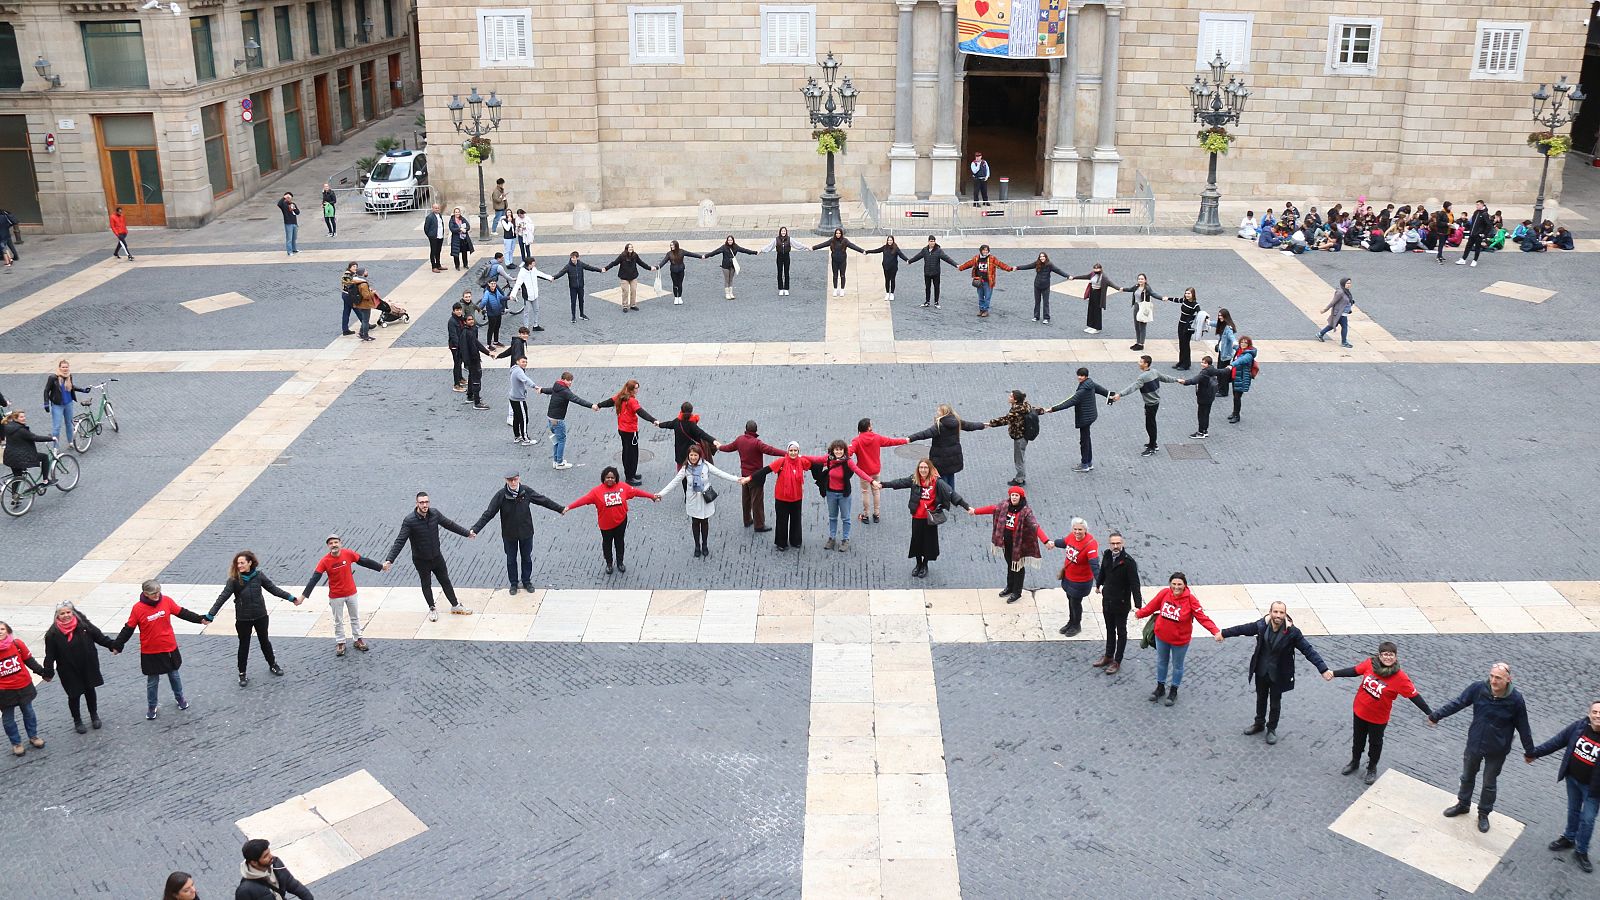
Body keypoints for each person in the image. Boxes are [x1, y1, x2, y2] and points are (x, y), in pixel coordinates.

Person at [1431, 662, 1535, 833]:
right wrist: (1437, 716)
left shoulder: (1515, 699)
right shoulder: (1478, 688)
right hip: (1475, 743)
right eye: (1492, 676)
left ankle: (1483, 813)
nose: (1493, 681)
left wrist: (1529, 751)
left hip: (1497, 749)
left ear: (1509, 680)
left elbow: (1523, 725)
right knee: (1467, 776)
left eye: (1498, 678)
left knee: (1489, 783)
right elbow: (1458, 703)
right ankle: (1463, 804)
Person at [1215, 601, 1332, 745]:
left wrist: (1323, 669)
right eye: (1275, 612)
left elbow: (1308, 650)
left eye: (1281, 612)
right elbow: (1243, 629)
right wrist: (1223, 633)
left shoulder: (1293, 632)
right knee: (1261, 698)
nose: (1278, 615)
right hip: (1262, 670)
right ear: (1270, 612)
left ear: (1285, 614)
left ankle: (1271, 729)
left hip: (1279, 674)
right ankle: (1259, 723)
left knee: (1275, 703)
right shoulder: (1261, 625)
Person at [1331, 641, 1433, 785]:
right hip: (1360, 711)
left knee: (1375, 743)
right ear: (1379, 656)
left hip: (1378, 718)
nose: (1388, 657)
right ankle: (1354, 762)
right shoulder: (1370, 664)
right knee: (1358, 739)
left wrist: (1430, 713)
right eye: (1385, 654)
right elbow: (1354, 671)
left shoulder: (1400, 678)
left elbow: (1414, 696)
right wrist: (1334, 674)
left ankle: (1372, 768)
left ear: (1396, 657)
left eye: (1391, 655)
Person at [112, 581, 207, 720]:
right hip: (150, 651)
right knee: (152, 681)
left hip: (168, 647)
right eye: (153, 594)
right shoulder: (137, 609)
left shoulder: (166, 601)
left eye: (158, 592)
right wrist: (118, 645)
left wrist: (200, 619)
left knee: (174, 675)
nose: (157, 595)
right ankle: (152, 706)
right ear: (145, 594)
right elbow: (128, 629)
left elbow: (182, 613)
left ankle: (179, 698)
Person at [1526, 699, 1600, 875]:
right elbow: (1557, 741)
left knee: (1588, 819)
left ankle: (1581, 851)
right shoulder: (1579, 726)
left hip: (1593, 789)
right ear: (1589, 713)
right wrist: (1535, 753)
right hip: (1572, 779)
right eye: (1595, 712)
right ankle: (1569, 838)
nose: (1598, 716)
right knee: (1573, 810)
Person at [204, 551, 295, 687]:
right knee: (244, 645)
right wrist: (210, 615)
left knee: (264, 641)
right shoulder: (234, 580)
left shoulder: (259, 576)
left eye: (242, 563)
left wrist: (291, 598)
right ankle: (242, 673)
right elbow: (222, 598)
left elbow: (273, 589)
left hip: (260, 616)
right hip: (243, 619)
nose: (239, 565)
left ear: (250, 563)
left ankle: (273, 664)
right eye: (238, 563)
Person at [382, 492, 477, 621]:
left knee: (445, 580)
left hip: (436, 557)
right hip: (421, 560)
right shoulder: (409, 521)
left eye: (426, 502)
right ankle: (432, 608)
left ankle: (455, 605)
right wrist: (390, 559)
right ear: (417, 504)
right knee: (426, 584)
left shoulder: (435, 514)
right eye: (422, 502)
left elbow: (450, 524)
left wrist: (467, 533)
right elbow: (400, 541)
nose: (425, 505)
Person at [471, 470, 564, 592]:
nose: (513, 482)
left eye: (515, 479)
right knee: (511, 559)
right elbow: (488, 514)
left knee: (526, 558)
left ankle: (527, 581)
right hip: (509, 535)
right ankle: (513, 583)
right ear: (506, 481)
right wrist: (475, 529)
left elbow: (543, 500)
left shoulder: (526, 491)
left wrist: (560, 509)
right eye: (510, 480)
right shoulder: (500, 495)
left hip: (526, 533)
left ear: (519, 479)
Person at [1134, 572, 1218, 707]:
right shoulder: (1164, 593)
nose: (1176, 587)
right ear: (1170, 584)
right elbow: (1152, 606)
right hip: (1162, 637)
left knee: (1177, 665)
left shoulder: (1191, 600)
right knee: (1162, 662)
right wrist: (1140, 613)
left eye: (1179, 584)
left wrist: (1215, 631)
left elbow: (1202, 617)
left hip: (1180, 641)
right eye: (1174, 584)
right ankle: (1160, 687)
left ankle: (1174, 690)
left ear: (1185, 585)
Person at [877, 459, 971, 579]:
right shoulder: (915, 480)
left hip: (930, 518)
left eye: (925, 468)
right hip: (917, 516)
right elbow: (900, 483)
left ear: (930, 469)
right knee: (916, 541)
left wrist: (966, 506)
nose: (923, 470)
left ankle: (925, 564)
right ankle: (918, 563)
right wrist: (883, 484)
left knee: (928, 543)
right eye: (921, 467)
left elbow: (951, 494)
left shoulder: (937, 482)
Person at [656, 444, 747, 558]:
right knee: (695, 523)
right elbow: (674, 482)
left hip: (705, 499)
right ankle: (697, 546)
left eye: (695, 455)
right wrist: (661, 494)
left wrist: (737, 479)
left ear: (699, 456)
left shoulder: (706, 465)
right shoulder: (685, 469)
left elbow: (720, 473)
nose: (693, 457)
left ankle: (705, 545)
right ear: (688, 456)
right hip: (693, 501)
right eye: (691, 455)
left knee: (705, 522)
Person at [40, 602, 117, 733]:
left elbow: (99, 637)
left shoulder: (84, 625)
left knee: (90, 690)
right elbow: (50, 655)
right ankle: (77, 720)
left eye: (68, 612)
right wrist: (48, 672)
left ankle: (94, 715)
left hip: (87, 665)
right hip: (68, 669)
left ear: (73, 612)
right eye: (62, 613)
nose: (66, 615)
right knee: (74, 695)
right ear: (57, 616)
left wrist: (112, 645)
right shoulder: (52, 634)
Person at [565, 466, 659, 574]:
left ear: (616, 478)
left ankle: (620, 562)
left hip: (621, 521)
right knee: (607, 544)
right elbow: (583, 500)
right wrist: (569, 507)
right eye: (607, 477)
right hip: (605, 525)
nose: (610, 480)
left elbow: (637, 492)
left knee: (620, 542)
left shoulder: (623, 487)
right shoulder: (596, 492)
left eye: (612, 477)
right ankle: (609, 563)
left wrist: (651, 496)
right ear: (603, 478)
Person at [298, 534, 379, 656]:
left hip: (351, 593)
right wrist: (303, 597)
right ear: (328, 546)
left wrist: (380, 567)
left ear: (340, 543)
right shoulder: (324, 561)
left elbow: (364, 561)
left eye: (336, 542)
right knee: (338, 620)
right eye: (331, 543)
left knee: (355, 617)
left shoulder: (348, 554)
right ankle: (340, 642)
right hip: (336, 596)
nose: (334, 545)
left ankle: (358, 639)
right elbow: (314, 579)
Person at [971, 486, 1050, 602]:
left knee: (1018, 567)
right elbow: (993, 509)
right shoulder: (1004, 506)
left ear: (1021, 497)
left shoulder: (1026, 511)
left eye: (1016, 495)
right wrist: (975, 511)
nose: (1014, 497)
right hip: (1006, 542)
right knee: (1010, 564)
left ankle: (1017, 592)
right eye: (1012, 495)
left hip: (1019, 544)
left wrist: (1046, 541)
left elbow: (1034, 526)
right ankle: (1010, 587)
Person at [751, 441, 828, 552]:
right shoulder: (781, 461)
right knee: (782, 520)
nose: (793, 453)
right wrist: (750, 478)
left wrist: (831, 462)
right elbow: (765, 470)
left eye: (795, 451)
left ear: (798, 451)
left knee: (796, 519)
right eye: (791, 451)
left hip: (796, 497)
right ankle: (781, 543)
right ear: (788, 451)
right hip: (782, 497)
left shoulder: (802, 461)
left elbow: (815, 464)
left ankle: (795, 540)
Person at [1088, 531, 1140, 671]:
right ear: (1109, 544)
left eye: (1118, 543)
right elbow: (1103, 571)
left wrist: (1138, 605)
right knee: (1109, 629)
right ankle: (1108, 656)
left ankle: (1117, 660)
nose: (1116, 546)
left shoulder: (1129, 562)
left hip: (1121, 603)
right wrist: (1098, 584)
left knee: (1121, 632)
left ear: (1122, 543)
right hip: (1108, 600)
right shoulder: (1106, 555)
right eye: (1113, 543)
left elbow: (1135, 584)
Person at [1110, 355, 1180, 458]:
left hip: (1150, 404)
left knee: (1150, 425)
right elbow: (1165, 378)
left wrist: (1119, 394)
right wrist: (1177, 380)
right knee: (1151, 424)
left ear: (1146, 364)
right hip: (1155, 402)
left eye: (1141, 362)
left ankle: (1152, 446)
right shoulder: (1154, 372)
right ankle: (1152, 443)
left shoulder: (1142, 377)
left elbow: (1132, 387)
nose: (1139, 363)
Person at [721, 420, 783, 533]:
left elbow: (728, 448)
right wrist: (786, 453)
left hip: (744, 475)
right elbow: (771, 451)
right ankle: (759, 525)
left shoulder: (740, 440)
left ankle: (747, 520)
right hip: (756, 477)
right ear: (756, 430)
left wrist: (719, 447)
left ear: (746, 429)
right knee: (757, 501)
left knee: (746, 498)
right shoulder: (757, 443)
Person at [906, 403, 985, 490]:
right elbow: (971, 426)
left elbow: (924, 434)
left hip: (941, 458)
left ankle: (945, 499)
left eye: (939, 411)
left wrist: (910, 438)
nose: (937, 412)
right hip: (954, 456)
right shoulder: (957, 421)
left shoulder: (939, 426)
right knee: (950, 476)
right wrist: (983, 425)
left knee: (942, 479)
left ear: (943, 413)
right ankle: (952, 496)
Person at [594, 378, 658, 486]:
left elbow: (609, 401)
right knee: (632, 454)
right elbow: (641, 412)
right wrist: (653, 420)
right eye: (636, 388)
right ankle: (630, 477)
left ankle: (631, 473)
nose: (637, 390)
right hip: (630, 431)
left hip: (622, 429)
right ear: (631, 389)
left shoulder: (621, 396)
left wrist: (599, 405)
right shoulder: (632, 401)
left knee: (626, 451)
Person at [1045, 368, 1110, 473]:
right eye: (1079, 375)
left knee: (1084, 441)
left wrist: (1053, 409)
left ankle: (1084, 464)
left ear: (1086, 376)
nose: (1079, 377)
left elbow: (1070, 401)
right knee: (1087, 439)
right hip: (1091, 415)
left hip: (1084, 417)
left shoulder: (1082, 390)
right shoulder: (1090, 383)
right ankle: (1088, 462)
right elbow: (1101, 390)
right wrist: (1111, 396)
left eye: (1082, 376)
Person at [0, 620, 49, 755]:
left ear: (8, 631)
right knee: (8, 719)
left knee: (28, 712)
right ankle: (16, 743)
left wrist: (42, 672)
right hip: (4, 692)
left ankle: (33, 736)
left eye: (2, 629)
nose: (0, 632)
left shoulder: (17, 644)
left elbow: (29, 660)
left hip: (23, 686)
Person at [848, 417, 908, 526]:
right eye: (871, 424)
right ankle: (876, 514)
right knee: (876, 491)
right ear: (868, 427)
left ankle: (866, 515)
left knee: (865, 492)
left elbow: (849, 452)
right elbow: (891, 441)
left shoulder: (856, 441)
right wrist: (905, 440)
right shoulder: (876, 437)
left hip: (864, 472)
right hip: (875, 470)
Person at [1049, 517, 1099, 635]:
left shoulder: (1091, 544)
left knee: (1075, 603)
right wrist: (1053, 543)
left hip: (1081, 581)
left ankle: (1076, 625)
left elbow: (1094, 565)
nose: (1077, 532)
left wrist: (1100, 582)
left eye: (1080, 530)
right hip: (1069, 577)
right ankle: (1071, 622)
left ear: (1085, 530)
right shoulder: (1072, 536)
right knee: (1070, 600)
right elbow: (1064, 542)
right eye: (1075, 529)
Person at [817, 439, 869, 552]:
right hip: (831, 493)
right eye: (836, 449)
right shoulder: (829, 459)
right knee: (832, 517)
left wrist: (871, 480)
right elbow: (815, 459)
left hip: (844, 494)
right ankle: (832, 538)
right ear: (833, 450)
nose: (839, 452)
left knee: (846, 518)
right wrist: (799, 456)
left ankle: (845, 539)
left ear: (844, 450)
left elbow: (858, 471)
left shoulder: (848, 462)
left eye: (841, 449)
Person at [987, 389, 1043, 487]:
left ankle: (1020, 479)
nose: (1009, 397)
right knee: (1020, 457)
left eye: (1011, 396)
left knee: (1018, 459)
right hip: (1024, 435)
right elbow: (1034, 410)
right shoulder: (1025, 406)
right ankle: (1021, 477)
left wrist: (990, 423)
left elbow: (1005, 419)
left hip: (1019, 437)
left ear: (1015, 400)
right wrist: (1043, 410)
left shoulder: (1016, 410)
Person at [539, 371, 590, 470]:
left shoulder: (557, 386)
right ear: (563, 380)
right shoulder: (565, 391)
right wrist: (591, 405)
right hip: (558, 420)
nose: (570, 383)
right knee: (561, 440)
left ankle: (556, 460)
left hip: (550, 418)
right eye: (568, 380)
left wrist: (541, 390)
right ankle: (560, 463)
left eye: (571, 381)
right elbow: (577, 399)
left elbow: (550, 390)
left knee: (556, 440)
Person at [236, 838, 314, 900]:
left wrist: (308, 897)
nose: (271, 856)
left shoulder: (276, 864)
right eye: (265, 856)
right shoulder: (245, 891)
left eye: (269, 852)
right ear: (254, 863)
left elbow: (292, 883)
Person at [1176, 355, 1228, 439]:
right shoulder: (1213, 370)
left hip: (1203, 396)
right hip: (1210, 396)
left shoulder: (1204, 373)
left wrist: (1185, 382)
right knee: (1206, 414)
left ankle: (1200, 432)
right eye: (1202, 362)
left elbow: (1194, 380)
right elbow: (1222, 371)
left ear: (1208, 364)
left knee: (1201, 414)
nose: (1202, 364)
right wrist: (1229, 368)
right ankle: (1205, 430)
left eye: (1205, 363)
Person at [655, 400, 719, 468]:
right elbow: (702, 434)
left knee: (681, 473)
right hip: (691, 454)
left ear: (681, 411)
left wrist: (659, 424)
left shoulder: (677, 422)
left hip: (680, 455)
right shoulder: (691, 425)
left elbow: (668, 424)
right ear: (691, 412)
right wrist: (713, 441)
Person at [956, 244, 1014, 319]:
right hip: (979, 281)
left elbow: (1000, 265)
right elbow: (969, 264)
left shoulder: (992, 258)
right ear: (981, 251)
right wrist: (960, 268)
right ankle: (981, 310)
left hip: (988, 281)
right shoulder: (976, 258)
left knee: (987, 297)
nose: (985, 251)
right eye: (984, 250)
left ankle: (985, 310)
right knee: (980, 297)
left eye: (986, 250)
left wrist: (1010, 268)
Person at [43, 358, 89, 447]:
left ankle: (70, 442)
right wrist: (46, 403)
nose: (65, 369)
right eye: (63, 367)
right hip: (57, 405)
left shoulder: (69, 376)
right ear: (59, 368)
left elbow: (71, 386)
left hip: (68, 404)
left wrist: (83, 390)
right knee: (56, 427)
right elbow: (46, 390)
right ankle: (55, 447)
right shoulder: (53, 378)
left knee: (69, 424)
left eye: (66, 367)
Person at [3, 408, 55, 486]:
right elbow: (35, 438)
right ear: (15, 418)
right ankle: (46, 480)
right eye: (21, 417)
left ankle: (15, 496)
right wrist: (51, 438)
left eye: (24, 416)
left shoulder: (8, 426)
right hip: (21, 457)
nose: (24, 418)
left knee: (17, 477)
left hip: (10, 457)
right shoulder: (21, 430)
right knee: (44, 457)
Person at [906, 235, 960, 309]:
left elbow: (947, 258)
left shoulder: (938, 250)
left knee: (936, 287)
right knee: (927, 287)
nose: (932, 243)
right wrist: (910, 261)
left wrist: (956, 265)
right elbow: (917, 256)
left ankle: (936, 302)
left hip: (936, 273)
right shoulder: (924, 250)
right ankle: (927, 301)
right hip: (927, 272)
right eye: (931, 241)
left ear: (935, 242)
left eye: (933, 241)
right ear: (928, 242)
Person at [1014, 252, 1069, 324]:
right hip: (1037, 285)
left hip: (1045, 286)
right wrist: (1018, 267)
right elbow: (1028, 266)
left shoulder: (1050, 265)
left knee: (1045, 302)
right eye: (1040, 257)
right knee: (1037, 302)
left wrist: (1067, 276)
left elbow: (1058, 271)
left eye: (1043, 256)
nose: (1042, 258)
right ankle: (1036, 316)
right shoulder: (1037, 263)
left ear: (1046, 257)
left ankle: (1046, 318)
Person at [549, 251, 602, 322]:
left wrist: (600, 270)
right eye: (571, 258)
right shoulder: (568, 266)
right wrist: (554, 277)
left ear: (577, 258)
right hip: (573, 287)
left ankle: (581, 314)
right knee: (573, 302)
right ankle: (573, 316)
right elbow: (561, 273)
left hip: (580, 287)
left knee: (581, 301)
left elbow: (590, 268)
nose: (572, 259)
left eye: (573, 258)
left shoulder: (581, 264)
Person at [812, 228, 865, 297]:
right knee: (835, 275)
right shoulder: (832, 240)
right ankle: (835, 289)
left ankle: (842, 290)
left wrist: (862, 251)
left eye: (839, 233)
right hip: (834, 261)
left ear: (841, 234)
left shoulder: (845, 241)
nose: (838, 235)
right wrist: (814, 248)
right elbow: (823, 244)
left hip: (842, 261)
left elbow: (853, 246)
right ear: (835, 234)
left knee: (842, 275)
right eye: (837, 233)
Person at [603, 242, 655, 312]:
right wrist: (606, 268)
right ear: (626, 249)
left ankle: (633, 305)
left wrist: (649, 268)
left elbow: (641, 263)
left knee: (633, 290)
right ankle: (625, 306)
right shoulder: (622, 256)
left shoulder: (635, 255)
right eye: (629, 247)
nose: (631, 248)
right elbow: (614, 263)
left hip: (633, 276)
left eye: (632, 247)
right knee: (625, 291)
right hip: (624, 277)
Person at [457, 313, 494, 410]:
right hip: (472, 360)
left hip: (473, 359)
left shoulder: (471, 331)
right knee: (477, 378)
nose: (471, 321)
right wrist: (467, 362)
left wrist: (488, 353)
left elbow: (476, 343)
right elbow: (464, 348)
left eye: (472, 319)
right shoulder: (466, 333)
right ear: (465, 322)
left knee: (472, 377)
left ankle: (470, 396)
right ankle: (477, 402)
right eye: (469, 320)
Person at [509, 254, 554, 332]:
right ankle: (526, 328)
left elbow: (540, 274)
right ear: (529, 264)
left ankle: (535, 325)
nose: (535, 264)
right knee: (527, 312)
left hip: (535, 294)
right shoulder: (522, 273)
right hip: (527, 296)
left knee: (536, 310)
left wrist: (549, 277)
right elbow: (517, 284)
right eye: (533, 263)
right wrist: (513, 294)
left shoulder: (533, 269)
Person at [702, 235, 757, 299]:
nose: (730, 241)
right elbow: (715, 252)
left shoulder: (736, 247)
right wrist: (706, 256)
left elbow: (745, 250)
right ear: (727, 241)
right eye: (729, 240)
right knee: (727, 279)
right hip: (725, 266)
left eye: (731, 240)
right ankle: (727, 294)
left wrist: (755, 252)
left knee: (731, 280)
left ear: (733, 240)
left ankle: (731, 293)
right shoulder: (724, 247)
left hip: (732, 266)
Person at [1164, 287, 1202, 369]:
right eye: (1186, 293)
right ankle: (1181, 361)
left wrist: (1206, 318)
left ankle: (1186, 364)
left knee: (1185, 345)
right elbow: (1177, 300)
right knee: (1181, 343)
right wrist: (1168, 298)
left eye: (1189, 293)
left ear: (1193, 294)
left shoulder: (1195, 305)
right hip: (1180, 324)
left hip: (1187, 327)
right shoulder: (1184, 301)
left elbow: (1200, 314)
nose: (1187, 295)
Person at [657, 240, 704, 305]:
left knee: (680, 284)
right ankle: (676, 297)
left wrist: (700, 256)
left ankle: (680, 297)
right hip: (673, 271)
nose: (671, 246)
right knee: (675, 284)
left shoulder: (682, 252)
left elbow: (691, 254)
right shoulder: (669, 254)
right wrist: (658, 267)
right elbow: (664, 261)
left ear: (676, 245)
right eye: (671, 245)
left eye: (672, 245)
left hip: (681, 270)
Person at [1119, 273, 1159, 350]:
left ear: (1145, 280)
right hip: (1136, 306)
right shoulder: (1137, 286)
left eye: (1142, 279)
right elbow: (1131, 289)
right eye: (1139, 279)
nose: (1140, 280)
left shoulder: (1147, 288)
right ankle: (1138, 342)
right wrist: (1123, 289)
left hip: (1143, 307)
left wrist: (1162, 298)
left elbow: (1153, 294)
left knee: (1142, 325)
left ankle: (1141, 344)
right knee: (1137, 325)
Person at [505, 355, 538, 446]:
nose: (525, 364)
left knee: (516, 417)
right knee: (524, 418)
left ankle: (517, 436)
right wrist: (535, 386)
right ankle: (525, 439)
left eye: (526, 362)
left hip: (513, 397)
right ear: (517, 362)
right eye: (523, 362)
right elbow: (526, 380)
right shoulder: (519, 371)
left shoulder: (515, 370)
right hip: (518, 399)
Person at [864, 235, 909, 302]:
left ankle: (892, 294)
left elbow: (901, 255)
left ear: (893, 241)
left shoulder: (895, 248)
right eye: (888, 240)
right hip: (886, 267)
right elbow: (876, 250)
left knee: (892, 279)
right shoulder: (884, 247)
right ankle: (887, 293)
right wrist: (867, 251)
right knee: (887, 280)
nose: (889, 241)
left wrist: (907, 260)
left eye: (891, 240)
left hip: (893, 267)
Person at [1226, 336, 1257, 424]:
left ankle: (1237, 415)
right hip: (1235, 376)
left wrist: (1232, 365)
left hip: (1242, 378)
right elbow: (1234, 345)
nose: (1243, 344)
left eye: (1245, 343)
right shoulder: (1239, 349)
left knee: (1237, 397)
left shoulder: (1248, 355)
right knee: (1234, 396)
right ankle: (1234, 412)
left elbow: (1240, 360)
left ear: (1249, 344)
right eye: (1242, 342)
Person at [1318, 278, 1355, 348]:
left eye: (1350, 283)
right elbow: (1333, 302)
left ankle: (1320, 334)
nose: (1349, 285)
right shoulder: (1340, 292)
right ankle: (1344, 342)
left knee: (1332, 325)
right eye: (1347, 283)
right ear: (1343, 284)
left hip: (1343, 313)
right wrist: (1325, 310)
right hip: (1339, 313)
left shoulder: (1347, 292)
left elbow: (1346, 301)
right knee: (1344, 327)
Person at [348, 266, 379, 342]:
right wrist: (372, 293)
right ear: (362, 273)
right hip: (365, 304)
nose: (366, 272)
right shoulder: (363, 284)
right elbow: (366, 296)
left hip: (359, 303)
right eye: (365, 271)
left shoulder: (355, 281)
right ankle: (365, 335)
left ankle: (361, 333)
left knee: (364, 319)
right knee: (366, 321)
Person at [1457, 200, 1490, 266]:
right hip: (1472, 233)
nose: (1476, 206)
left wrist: (1484, 234)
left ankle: (1475, 260)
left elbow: (1488, 225)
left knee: (1477, 247)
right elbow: (1472, 222)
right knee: (1468, 246)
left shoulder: (1485, 214)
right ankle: (1463, 259)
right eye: (1476, 205)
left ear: (1482, 205)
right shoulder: (1476, 212)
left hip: (1479, 234)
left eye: (1478, 205)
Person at [762, 227, 794, 296]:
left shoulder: (789, 239)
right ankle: (780, 289)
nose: (783, 232)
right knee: (779, 272)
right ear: (780, 232)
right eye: (782, 231)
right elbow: (769, 246)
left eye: (784, 231)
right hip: (779, 256)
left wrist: (806, 247)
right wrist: (762, 250)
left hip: (786, 256)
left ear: (786, 232)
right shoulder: (776, 239)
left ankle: (786, 289)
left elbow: (798, 244)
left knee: (786, 272)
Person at [479, 275, 508, 349]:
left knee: (497, 327)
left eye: (495, 284)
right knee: (491, 329)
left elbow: (501, 297)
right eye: (492, 284)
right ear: (488, 284)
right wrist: (480, 308)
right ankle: (489, 344)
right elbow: (484, 301)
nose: (493, 285)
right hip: (491, 314)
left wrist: (509, 298)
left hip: (498, 312)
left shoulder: (496, 291)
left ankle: (496, 341)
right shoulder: (487, 293)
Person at [447, 302, 469, 392]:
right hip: (455, 346)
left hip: (460, 345)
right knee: (457, 364)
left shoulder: (460, 319)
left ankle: (460, 378)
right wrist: (460, 346)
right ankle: (456, 384)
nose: (459, 312)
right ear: (453, 311)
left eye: (460, 310)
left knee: (459, 362)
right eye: (457, 310)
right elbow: (453, 336)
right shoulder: (452, 321)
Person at [423, 202, 447, 273]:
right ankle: (434, 266)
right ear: (432, 209)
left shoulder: (439, 215)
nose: (437, 209)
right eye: (435, 208)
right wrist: (430, 235)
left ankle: (438, 265)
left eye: (438, 208)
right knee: (433, 251)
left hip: (440, 236)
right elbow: (426, 228)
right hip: (433, 237)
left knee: (438, 251)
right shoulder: (429, 217)